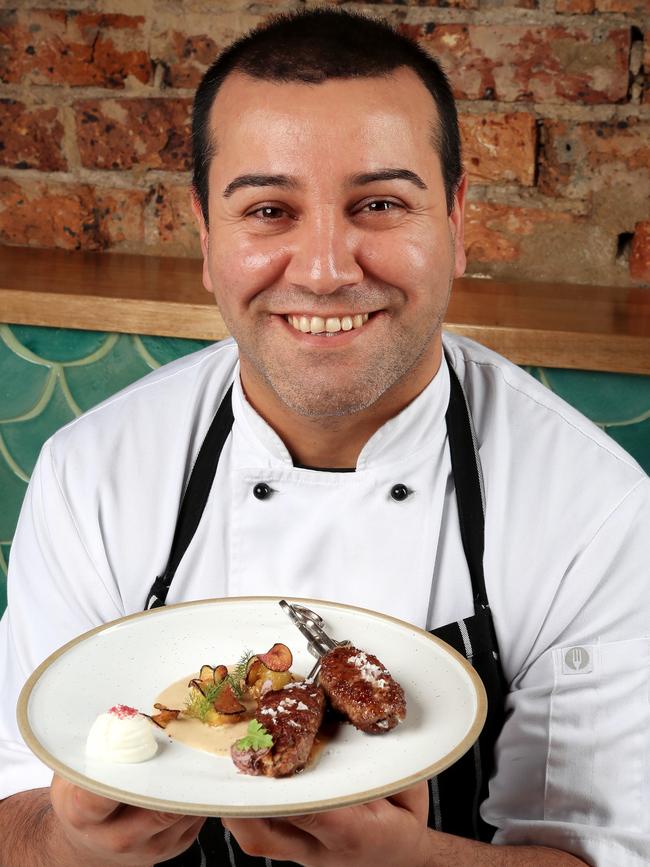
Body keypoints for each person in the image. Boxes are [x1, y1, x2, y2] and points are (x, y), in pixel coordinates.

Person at [0, 8, 648, 867]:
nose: (325, 269)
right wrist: (70, 841)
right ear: (205, 237)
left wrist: (403, 862)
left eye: (379, 203)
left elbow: (607, 853)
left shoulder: (592, 508)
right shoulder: (93, 473)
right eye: (269, 209)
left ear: (455, 221)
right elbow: (14, 818)